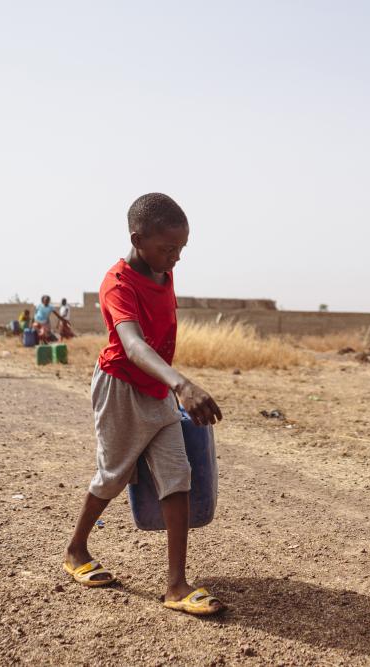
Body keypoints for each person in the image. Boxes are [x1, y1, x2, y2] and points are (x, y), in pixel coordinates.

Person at [63, 193, 226, 615]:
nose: (176, 258)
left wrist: (170, 385)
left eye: (181, 248)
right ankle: (76, 550)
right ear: (137, 240)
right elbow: (133, 345)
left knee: (177, 474)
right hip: (120, 387)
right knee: (114, 474)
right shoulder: (118, 284)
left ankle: (176, 586)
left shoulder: (163, 274)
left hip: (156, 389)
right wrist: (182, 384)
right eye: (168, 248)